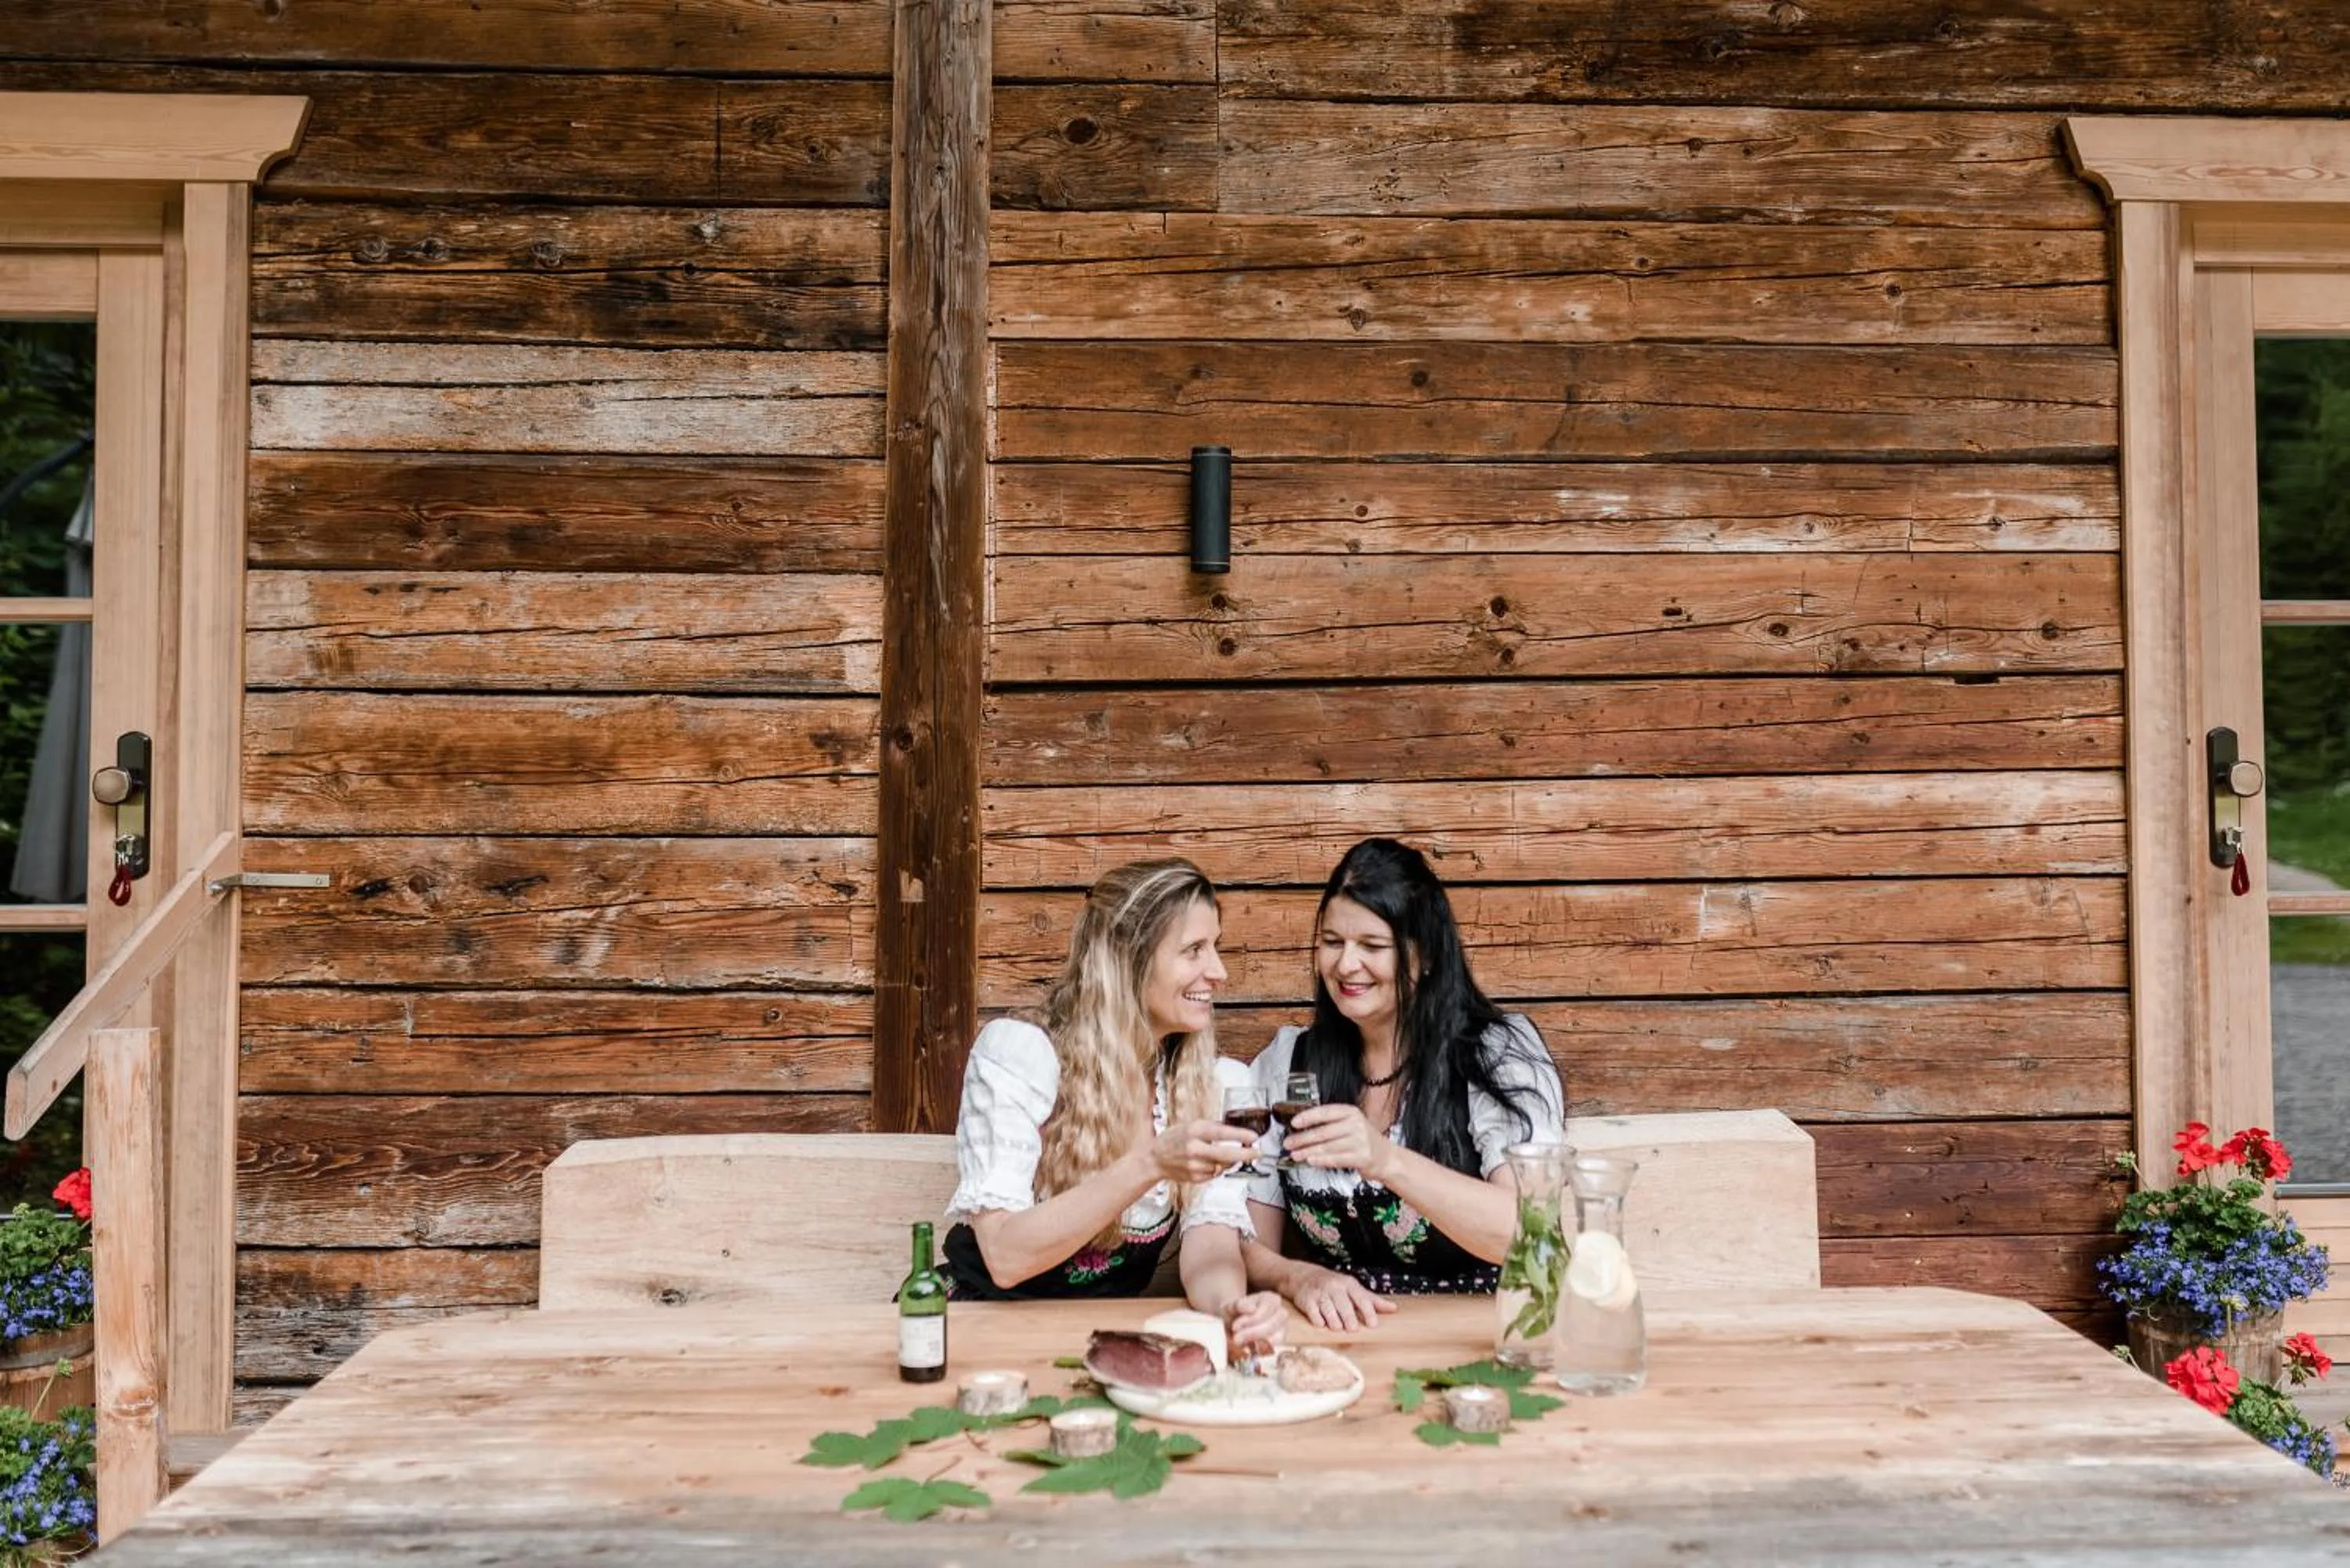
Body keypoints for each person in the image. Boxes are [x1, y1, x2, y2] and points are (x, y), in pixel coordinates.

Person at [942, 858, 1287, 1351]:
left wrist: (1232, 1308)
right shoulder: (1023, 1055)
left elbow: (1209, 1245)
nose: (1219, 971)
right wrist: (1149, 1163)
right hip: (979, 1331)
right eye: (1194, 950)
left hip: (1103, 1343)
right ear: (1129, 960)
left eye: (1216, 948)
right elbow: (1005, 1256)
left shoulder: (1209, 1084)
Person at [1241, 837, 1566, 1331]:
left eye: (1372, 946)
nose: (1346, 965)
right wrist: (1297, 1277)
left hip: (1483, 1337)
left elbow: (1527, 1231)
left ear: (1425, 955)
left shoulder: (1496, 1054)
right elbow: (1243, 1238)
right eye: (1332, 942)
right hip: (1342, 1340)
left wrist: (1385, 1160)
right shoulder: (1289, 1064)